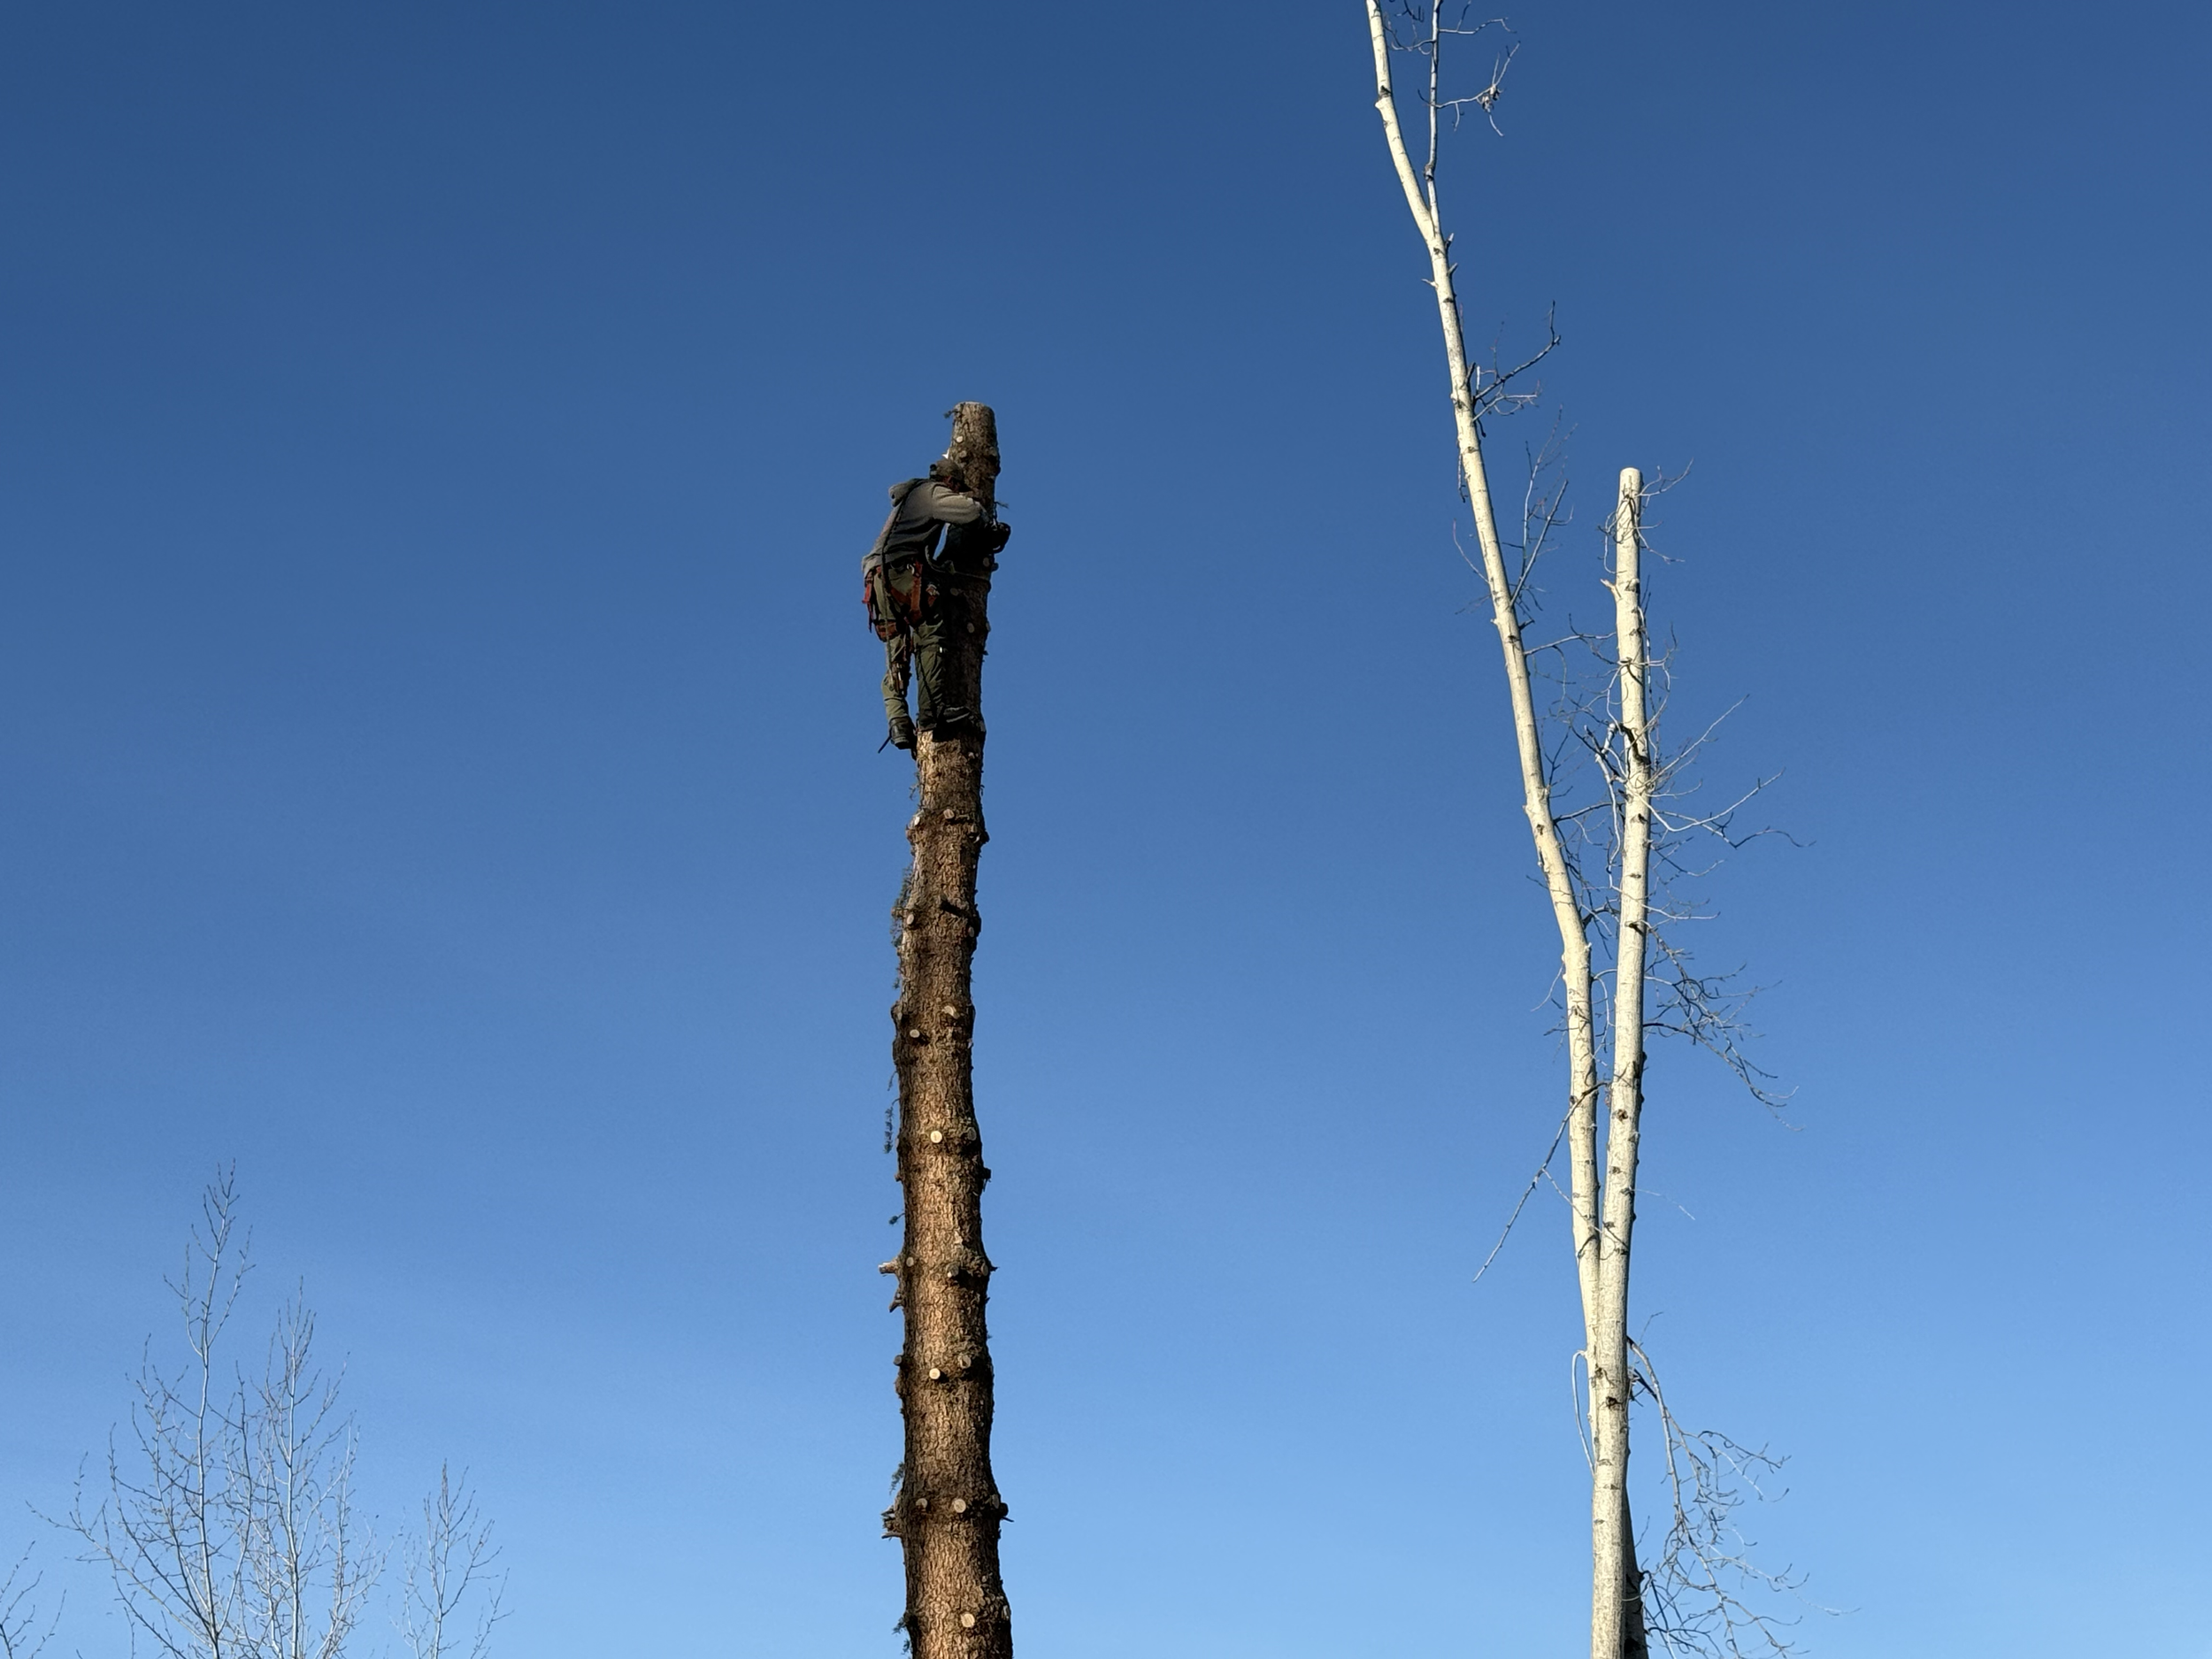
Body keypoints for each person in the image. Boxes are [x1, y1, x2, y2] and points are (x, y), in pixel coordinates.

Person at [862, 457, 1010, 750]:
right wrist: (985, 521)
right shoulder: (931, 492)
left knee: (897, 653)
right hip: (902, 572)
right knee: (932, 634)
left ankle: (898, 722)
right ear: (950, 482)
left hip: (876, 578)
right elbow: (967, 513)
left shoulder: (906, 502)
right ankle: (933, 714)